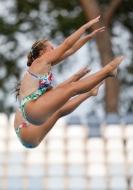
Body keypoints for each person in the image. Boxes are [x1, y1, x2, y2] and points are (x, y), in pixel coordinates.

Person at [14, 15, 124, 147]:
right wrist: (85, 26)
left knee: (64, 96)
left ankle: (94, 87)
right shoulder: (40, 62)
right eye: (52, 48)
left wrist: (90, 36)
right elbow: (66, 45)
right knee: (71, 89)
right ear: (43, 52)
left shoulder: (46, 65)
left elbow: (70, 50)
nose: (55, 50)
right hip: (29, 117)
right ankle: (107, 71)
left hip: (34, 113)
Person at [14, 65, 104, 148]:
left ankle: (90, 92)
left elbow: (58, 92)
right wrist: (76, 76)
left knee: (58, 106)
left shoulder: (34, 99)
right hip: (26, 133)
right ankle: (90, 92)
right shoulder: (30, 99)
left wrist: (77, 76)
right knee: (58, 110)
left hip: (29, 136)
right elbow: (58, 92)